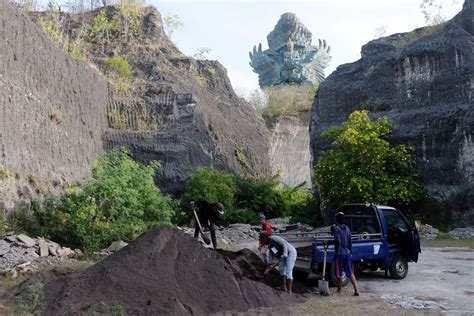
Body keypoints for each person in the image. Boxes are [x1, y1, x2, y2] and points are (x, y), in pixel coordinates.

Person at [331, 212, 360, 296]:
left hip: (339, 254)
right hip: (347, 253)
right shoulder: (347, 228)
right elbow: (350, 241)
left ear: (337, 219)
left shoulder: (336, 228)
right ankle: (356, 290)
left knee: (338, 272)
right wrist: (350, 252)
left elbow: (337, 240)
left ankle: (339, 290)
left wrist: (329, 242)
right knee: (350, 272)